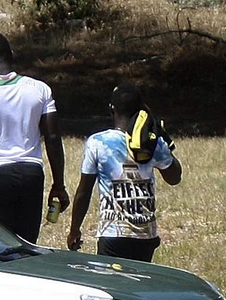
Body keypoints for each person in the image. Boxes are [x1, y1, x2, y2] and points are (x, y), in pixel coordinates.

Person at [0, 32, 67, 243]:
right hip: (32, 175)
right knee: (27, 244)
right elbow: (53, 139)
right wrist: (59, 184)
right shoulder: (40, 89)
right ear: (12, 54)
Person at [66, 82, 181, 262]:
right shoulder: (152, 143)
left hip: (112, 234)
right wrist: (162, 137)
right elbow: (174, 178)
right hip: (145, 235)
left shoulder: (97, 142)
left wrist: (74, 229)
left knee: (111, 287)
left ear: (112, 109)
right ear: (141, 110)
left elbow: (84, 191)